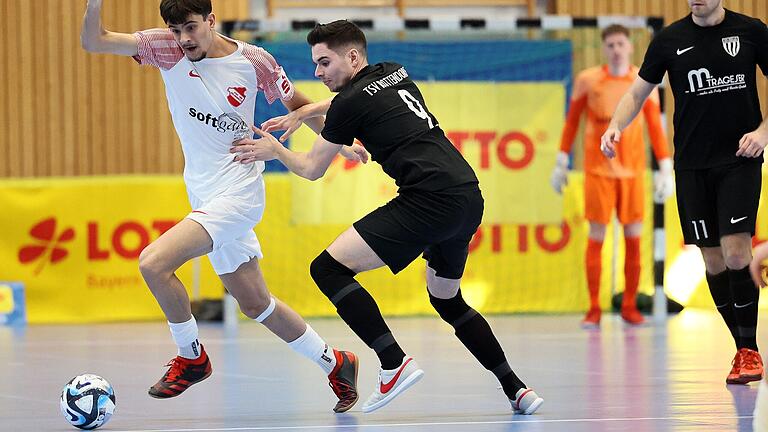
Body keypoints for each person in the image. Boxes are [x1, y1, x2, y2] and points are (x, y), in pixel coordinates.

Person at [230, 19, 544, 415]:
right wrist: (306, 110)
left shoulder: (349, 102)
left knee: (327, 269)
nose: (318, 72)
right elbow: (357, 99)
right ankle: (517, 389)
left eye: (325, 63)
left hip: (427, 199)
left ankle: (393, 363)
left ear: (353, 56)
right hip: (466, 194)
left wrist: (276, 149)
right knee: (447, 299)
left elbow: (311, 169)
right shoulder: (394, 71)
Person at [80, 0, 367, 412]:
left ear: (212, 21)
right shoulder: (165, 48)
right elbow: (96, 41)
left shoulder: (255, 61)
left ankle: (192, 357)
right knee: (256, 304)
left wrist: (343, 145)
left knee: (153, 263)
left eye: (192, 28)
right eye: (176, 30)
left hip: (239, 194)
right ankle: (335, 362)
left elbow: (298, 105)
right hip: (202, 193)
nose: (184, 39)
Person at [601, 0, 768, 384]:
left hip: (740, 159)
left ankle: (748, 352)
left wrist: (762, 133)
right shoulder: (668, 41)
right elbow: (636, 94)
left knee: (736, 249)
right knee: (712, 262)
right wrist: (615, 126)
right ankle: (744, 348)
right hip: (692, 166)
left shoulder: (751, 31)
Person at [551, 24, 673, 327]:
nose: (616, 49)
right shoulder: (588, 80)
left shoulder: (642, 81)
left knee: (633, 239)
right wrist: (561, 159)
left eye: (621, 43)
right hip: (598, 172)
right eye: (611, 45)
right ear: (605, 48)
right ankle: (594, 307)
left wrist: (666, 165)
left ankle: (629, 305)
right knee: (596, 237)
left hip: (632, 173)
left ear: (630, 46)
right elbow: (572, 122)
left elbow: (656, 128)